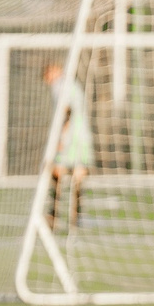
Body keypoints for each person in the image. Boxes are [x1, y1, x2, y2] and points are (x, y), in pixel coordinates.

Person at [43, 59, 93, 229]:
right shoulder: (73, 84)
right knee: (78, 173)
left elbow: (68, 111)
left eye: (48, 74)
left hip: (70, 136)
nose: (47, 78)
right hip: (82, 135)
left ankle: (54, 214)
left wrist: (61, 138)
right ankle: (76, 216)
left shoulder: (60, 86)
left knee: (57, 171)